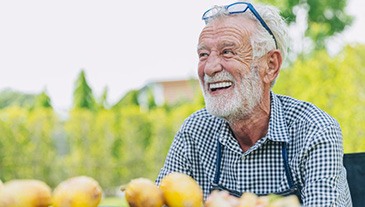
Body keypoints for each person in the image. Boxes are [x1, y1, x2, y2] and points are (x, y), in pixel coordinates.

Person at [156, 2, 352, 206]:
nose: (210, 68)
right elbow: (158, 200)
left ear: (270, 65)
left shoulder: (314, 129)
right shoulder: (195, 131)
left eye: (227, 52)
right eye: (203, 55)